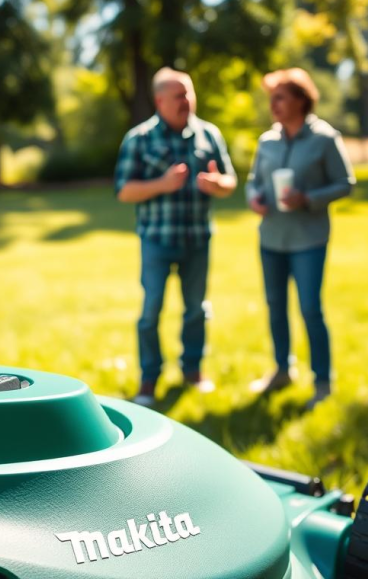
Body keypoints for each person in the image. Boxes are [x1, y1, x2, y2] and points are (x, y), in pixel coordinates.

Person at [114, 68, 237, 405]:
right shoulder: (139, 138)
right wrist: (162, 185)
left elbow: (230, 181)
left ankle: (193, 371)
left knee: (196, 310)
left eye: (188, 94)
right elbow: (123, 191)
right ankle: (149, 379)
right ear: (159, 100)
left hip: (198, 239)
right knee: (151, 312)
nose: (186, 101)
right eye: (178, 95)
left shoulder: (208, 135)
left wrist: (218, 185)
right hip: (156, 240)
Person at [244, 68, 355, 409]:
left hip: (308, 239)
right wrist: (254, 197)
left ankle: (322, 382)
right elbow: (253, 181)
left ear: (301, 100)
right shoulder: (267, 141)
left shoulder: (324, 138)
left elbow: (345, 183)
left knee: (310, 309)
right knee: (275, 307)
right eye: (271, 98)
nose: (273, 104)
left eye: (280, 97)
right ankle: (282, 370)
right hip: (271, 238)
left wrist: (307, 198)